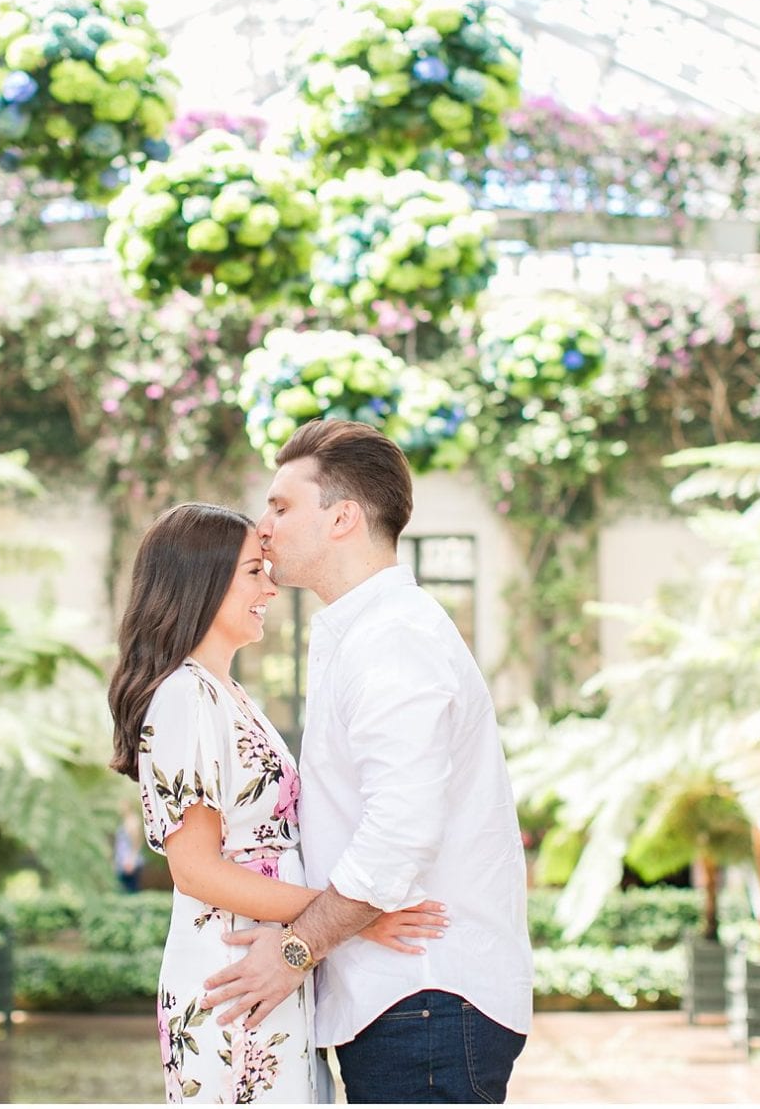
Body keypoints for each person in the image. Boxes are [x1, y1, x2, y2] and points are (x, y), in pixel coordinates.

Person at [199, 420, 534, 1104]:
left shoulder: (393, 640)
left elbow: (398, 837)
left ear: (343, 518)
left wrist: (293, 952)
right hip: (405, 1002)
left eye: (283, 507)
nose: (263, 527)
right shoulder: (365, 633)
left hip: (426, 1001)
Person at [107, 502, 449, 1104]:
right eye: (253, 572)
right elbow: (195, 870)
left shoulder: (225, 692)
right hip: (233, 973)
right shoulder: (183, 696)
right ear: (202, 583)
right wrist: (355, 915)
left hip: (268, 962)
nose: (271, 585)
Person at [113, 804, 144, 893]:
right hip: (122, 862)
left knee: (130, 891)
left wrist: (131, 860)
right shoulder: (124, 821)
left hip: (129, 862)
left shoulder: (132, 822)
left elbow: (137, 843)